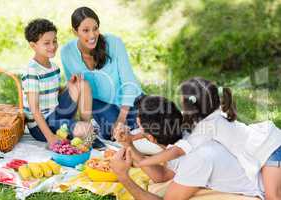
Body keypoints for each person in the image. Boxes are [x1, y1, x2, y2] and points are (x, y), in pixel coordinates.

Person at [130, 78, 281, 200]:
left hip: (270, 149)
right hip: (265, 142)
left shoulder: (204, 131)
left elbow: (176, 151)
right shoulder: (210, 116)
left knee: (273, 197)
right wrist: (131, 139)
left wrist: (142, 162)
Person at [111, 95, 264, 200]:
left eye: (139, 126)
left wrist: (122, 175)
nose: (136, 131)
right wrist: (128, 144)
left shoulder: (195, 159)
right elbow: (162, 176)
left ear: (151, 138)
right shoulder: (184, 132)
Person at [61, 7, 142, 140]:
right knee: (115, 135)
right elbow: (77, 87)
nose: (92, 35)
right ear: (75, 32)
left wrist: (121, 119)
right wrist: (82, 125)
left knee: (155, 124)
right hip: (101, 105)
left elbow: (129, 82)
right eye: (85, 30)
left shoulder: (114, 43)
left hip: (131, 101)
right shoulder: (67, 52)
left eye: (95, 28)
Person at [22, 19, 93, 145]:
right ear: (33, 46)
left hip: (56, 113)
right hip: (42, 126)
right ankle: (84, 132)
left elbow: (51, 92)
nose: (53, 46)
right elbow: (34, 110)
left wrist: (69, 86)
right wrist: (50, 137)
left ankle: (84, 127)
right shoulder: (31, 71)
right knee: (86, 130)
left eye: (54, 41)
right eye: (47, 43)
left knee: (83, 84)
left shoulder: (53, 67)